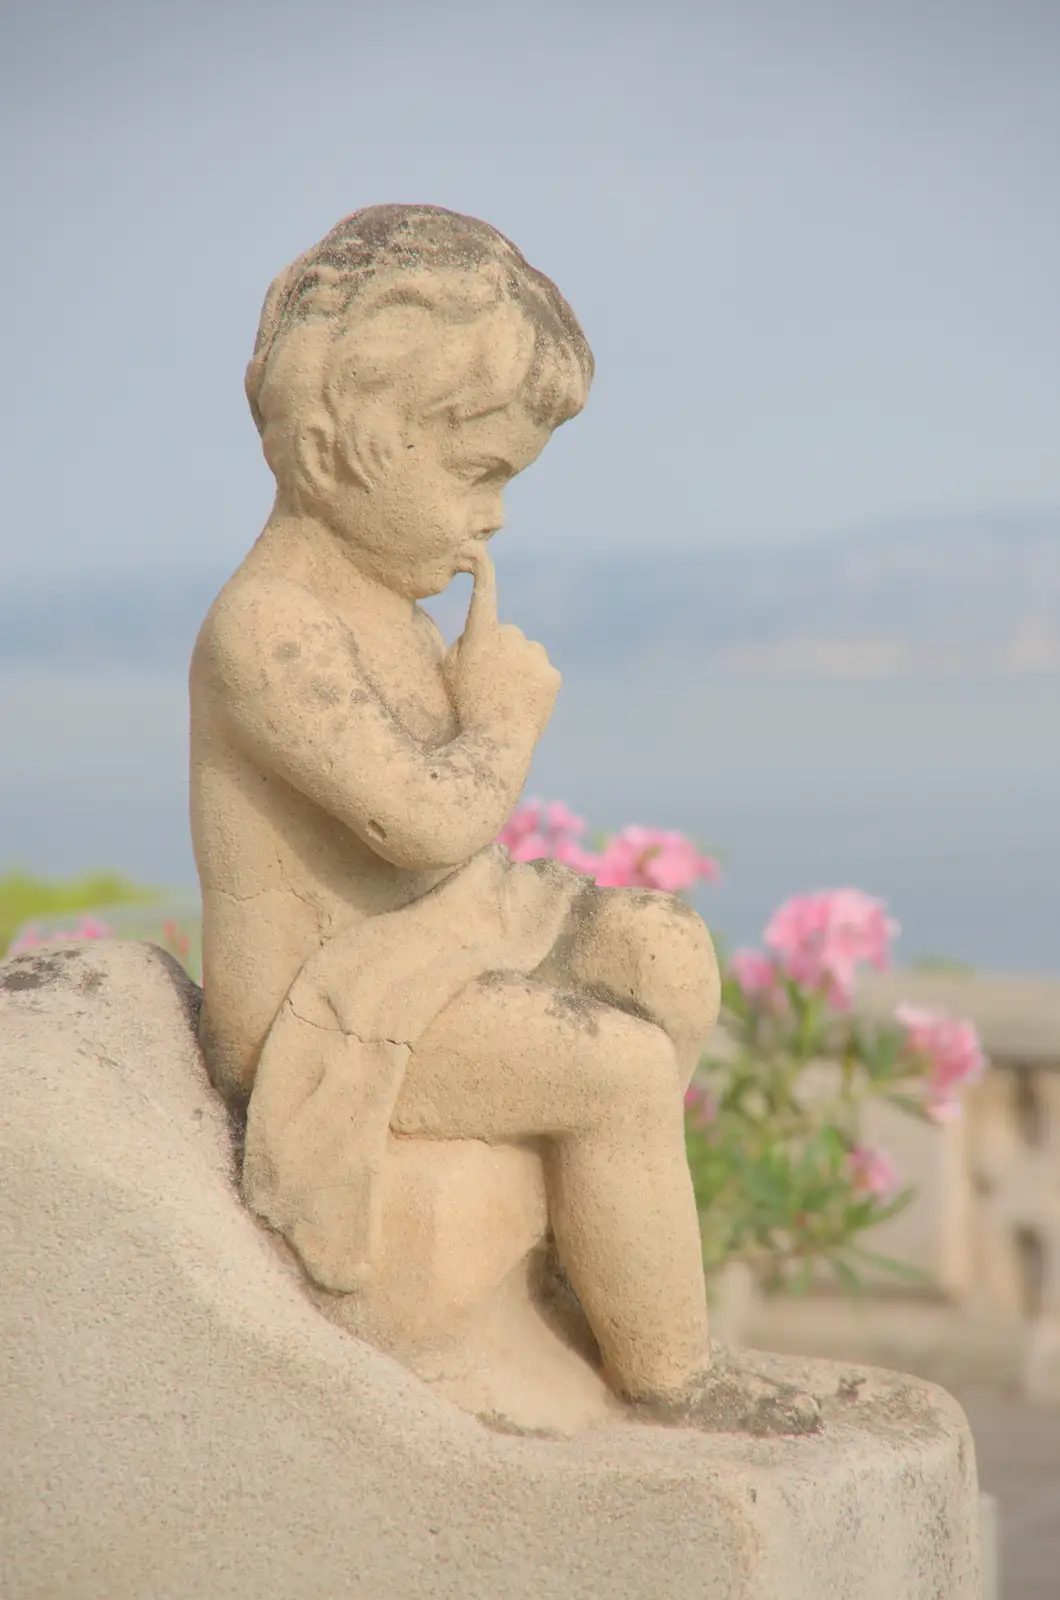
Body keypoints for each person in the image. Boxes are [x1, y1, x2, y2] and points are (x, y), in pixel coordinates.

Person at [190, 204, 818, 1434]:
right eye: (477, 474)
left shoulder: (391, 613)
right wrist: (504, 717)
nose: (494, 519)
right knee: (619, 1066)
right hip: (327, 1010)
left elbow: (447, 862)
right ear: (341, 450)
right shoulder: (266, 629)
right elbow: (426, 824)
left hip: (426, 951)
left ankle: (574, 1266)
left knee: (660, 947)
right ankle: (664, 1375)